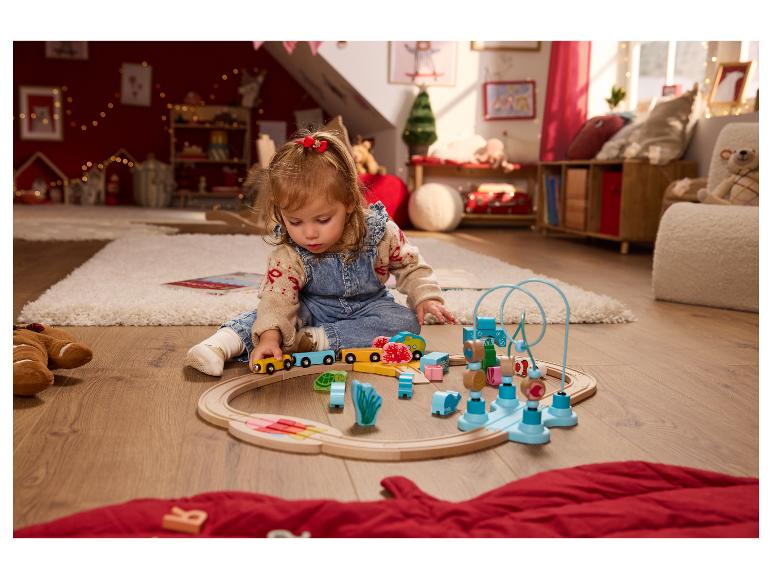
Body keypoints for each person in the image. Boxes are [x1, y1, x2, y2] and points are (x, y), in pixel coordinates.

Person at [186, 129, 455, 376]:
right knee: (267, 316)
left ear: (349, 202)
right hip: (310, 306)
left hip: (369, 306)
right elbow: (276, 299)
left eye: (323, 220)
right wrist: (269, 338)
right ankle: (219, 345)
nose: (309, 233)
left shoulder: (380, 231)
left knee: (406, 323)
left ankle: (318, 340)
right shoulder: (289, 253)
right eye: (295, 222)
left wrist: (425, 297)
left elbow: (411, 266)